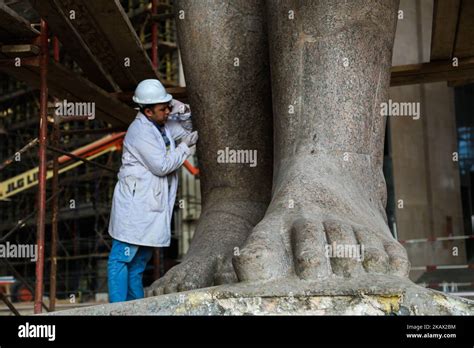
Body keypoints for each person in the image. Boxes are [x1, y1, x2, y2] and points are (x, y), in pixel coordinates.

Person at [107, 79, 198, 302]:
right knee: (121, 259)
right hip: (135, 206)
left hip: (151, 205)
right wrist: (185, 148)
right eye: (163, 108)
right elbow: (162, 166)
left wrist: (184, 112)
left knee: (138, 264)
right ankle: (118, 309)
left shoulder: (162, 126)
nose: (167, 111)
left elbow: (188, 130)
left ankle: (135, 308)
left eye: (168, 107)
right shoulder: (139, 131)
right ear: (147, 111)